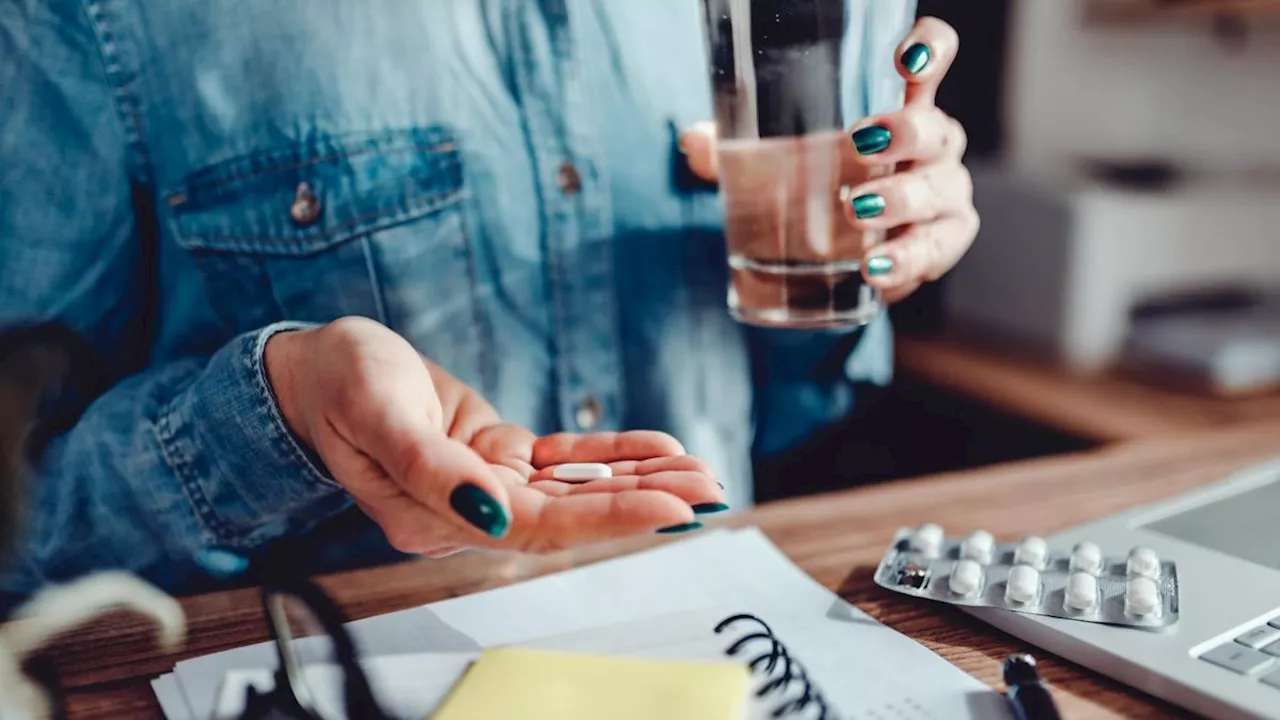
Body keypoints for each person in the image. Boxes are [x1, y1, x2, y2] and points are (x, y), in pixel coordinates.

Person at [0, 0, 976, 603]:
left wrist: (872, 247)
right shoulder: (100, 17)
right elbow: (19, 518)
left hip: (711, 650)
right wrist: (276, 419)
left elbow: (795, 409)